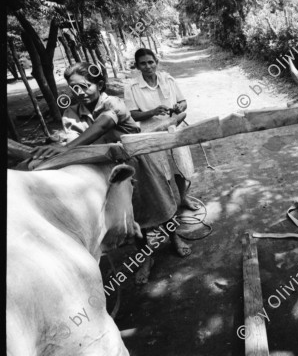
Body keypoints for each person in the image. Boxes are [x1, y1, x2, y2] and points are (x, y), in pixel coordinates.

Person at [31, 62, 187, 284]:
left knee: (160, 203)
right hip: (108, 174)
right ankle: (146, 258)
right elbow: (70, 137)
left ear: (100, 84)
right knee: (133, 217)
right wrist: (59, 145)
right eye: (74, 88)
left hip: (138, 165)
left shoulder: (114, 103)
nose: (80, 93)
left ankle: (175, 237)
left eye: (85, 86)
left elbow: (103, 125)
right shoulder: (72, 112)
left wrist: (67, 148)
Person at [124, 48, 200, 213]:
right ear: (137, 66)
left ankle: (183, 198)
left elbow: (183, 101)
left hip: (173, 129)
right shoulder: (131, 87)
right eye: (142, 63)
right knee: (160, 172)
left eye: (150, 62)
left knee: (179, 166)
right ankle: (168, 207)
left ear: (156, 62)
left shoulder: (168, 79)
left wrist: (180, 107)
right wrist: (152, 112)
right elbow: (131, 115)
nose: (148, 66)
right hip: (151, 133)